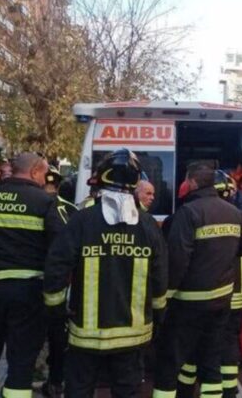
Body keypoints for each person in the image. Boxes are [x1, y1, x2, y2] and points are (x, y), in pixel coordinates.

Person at [44, 149, 168, 398]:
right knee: (127, 392)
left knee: (79, 390)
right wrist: (157, 317)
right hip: (133, 336)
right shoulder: (148, 227)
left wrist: (56, 312)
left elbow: (56, 268)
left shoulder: (81, 221)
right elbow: (160, 278)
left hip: (85, 336)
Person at [154, 161, 242, 398]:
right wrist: (224, 256)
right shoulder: (235, 213)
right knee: (212, 362)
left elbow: (178, 261)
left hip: (188, 302)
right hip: (221, 301)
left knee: (170, 361)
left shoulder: (188, 213)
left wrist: (165, 297)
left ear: (191, 182)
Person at [0, 153, 66, 398]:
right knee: (21, 360)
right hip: (27, 292)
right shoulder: (44, 202)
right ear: (33, 172)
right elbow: (59, 248)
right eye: (43, 173)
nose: (45, 179)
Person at [41, 167, 77, 398]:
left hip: (39, 280)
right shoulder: (72, 210)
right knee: (58, 335)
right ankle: (56, 379)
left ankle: (52, 378)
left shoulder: (37, 206)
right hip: (63, 282)